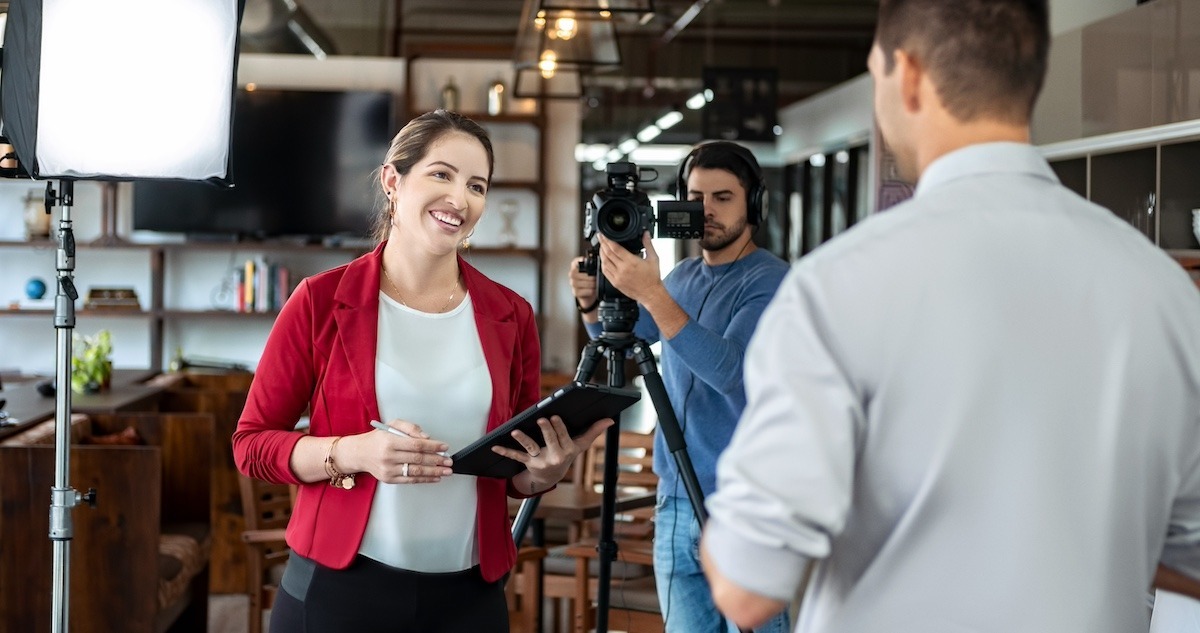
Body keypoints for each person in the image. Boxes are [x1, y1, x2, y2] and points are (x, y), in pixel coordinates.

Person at [700, 1, 1200, 631]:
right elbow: (1189, 553)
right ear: (1031, 78)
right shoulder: (1163, 289)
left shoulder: (839, 287)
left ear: (905, 75)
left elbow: (747, 586)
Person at [233, 109, 611, 633]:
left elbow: (514, 467)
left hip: (470, 599)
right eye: (442, 174)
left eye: (477, 185)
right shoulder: (319, 302)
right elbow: (251, 445)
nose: (460, 199)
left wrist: (543, 473)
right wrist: (353, 452)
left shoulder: (511, 315)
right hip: (340, 592)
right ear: (393, 179)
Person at [569, 141, 791, 633]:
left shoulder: (772, 281)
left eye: (723, 197)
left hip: (747, 508)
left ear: (755, 204)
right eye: (696, 197)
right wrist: (593, 305)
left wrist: (650, 291)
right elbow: (626, 345)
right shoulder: (684, 277)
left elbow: (729, 370)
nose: (706, 210)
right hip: (675, 503)